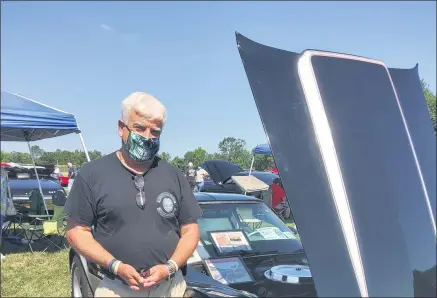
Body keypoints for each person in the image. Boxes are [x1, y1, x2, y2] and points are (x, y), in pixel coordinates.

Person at [64, 91, 202, 297]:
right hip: (117, 287)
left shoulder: (173, 174)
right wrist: (115, 265)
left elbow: (190, 230)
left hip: (171, 287)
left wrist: (170, 267)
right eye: (139, 128)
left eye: (155, 131)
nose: (147, 137)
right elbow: (76, 232)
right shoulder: (92, 174)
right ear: (121, 128)